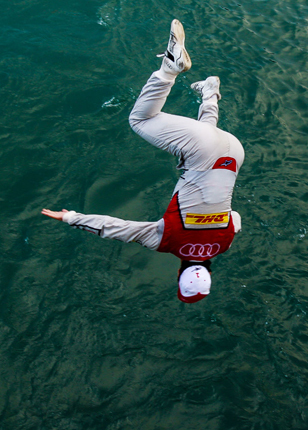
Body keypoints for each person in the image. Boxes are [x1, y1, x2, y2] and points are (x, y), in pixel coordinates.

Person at [42, 19, 245, 303]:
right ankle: (170, 68)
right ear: (178, 276)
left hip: (232, 153)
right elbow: (115, 229)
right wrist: (71, 218)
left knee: (202, 144)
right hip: (202, 151)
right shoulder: (166, 241)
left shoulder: (226, 241)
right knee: (140, 120)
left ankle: (210, 92)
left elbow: (234, 219)